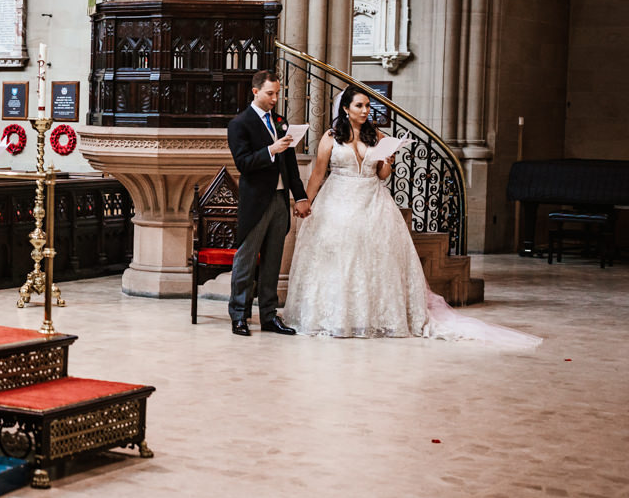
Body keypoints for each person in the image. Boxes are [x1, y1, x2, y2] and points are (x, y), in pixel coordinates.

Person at [283, 87, 541, 346]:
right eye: (359, 106)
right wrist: (305, 200)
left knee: (373, 260)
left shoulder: (377, 136)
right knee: (340, 259)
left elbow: (382, 176)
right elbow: (317, 173)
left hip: (372, 201)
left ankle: (370, 317)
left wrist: (388, 161)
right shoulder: (330, 138)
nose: (365, 111)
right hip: (337, 199)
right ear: (346, 109)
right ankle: (336, 317)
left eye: (367, 106)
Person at [225, 71, 311, 337]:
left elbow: (290, 165)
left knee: (273, 261)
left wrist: (301, 196)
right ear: (255, 92)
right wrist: (272, 150)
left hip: (279, 200)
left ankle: (269, 317)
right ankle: (239, 316)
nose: (275, 98)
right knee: (246, 260)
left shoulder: (280, 121)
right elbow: (243, 164)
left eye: (277, 93)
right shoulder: (240, 123)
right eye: (270, 93)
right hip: (256, 201)